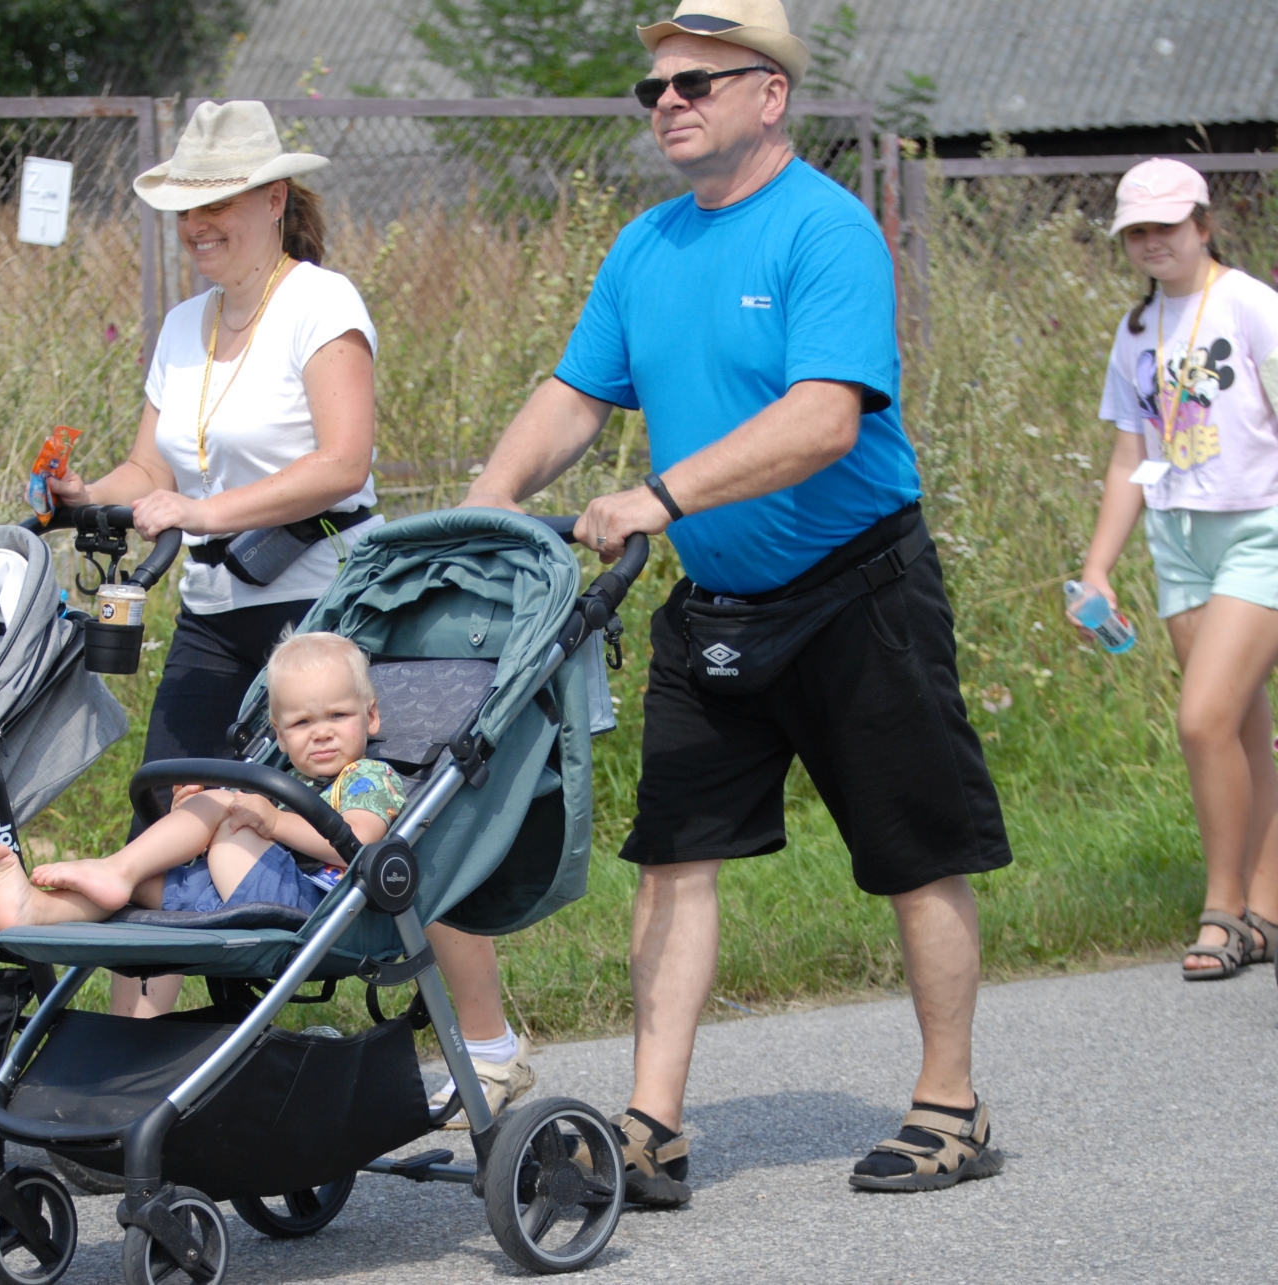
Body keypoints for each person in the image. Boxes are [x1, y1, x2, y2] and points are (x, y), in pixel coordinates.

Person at [444, 0, 1013, 1199]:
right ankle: (652, 1127)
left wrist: (661, 494)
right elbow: (574, 396)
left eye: (696, 82)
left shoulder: (825, 229)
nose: (669, 102)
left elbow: (824, 418)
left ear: (770, 93)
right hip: (718, 607)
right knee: (675, 857)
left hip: (860, 592)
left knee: (914, 851)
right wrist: (484, 507)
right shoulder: (646, 245)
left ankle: (950, 1105)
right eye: (655, 88)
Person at [46, 99, 380, 1016]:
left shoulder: (320, 303)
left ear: (274, 199)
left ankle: (471, 1038)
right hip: (213, 610)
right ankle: (139, 1060)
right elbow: (152, 469)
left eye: (218, 202)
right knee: (165, 811)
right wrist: (86, 493)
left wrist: (202, 511)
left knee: (302, 823)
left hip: (314, 610)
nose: (197, 224)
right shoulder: (183, 324)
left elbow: (343, 463)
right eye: (186, 207)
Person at [1077, 157, 1278, 980]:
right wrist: (1098, 569)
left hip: (1258, 532)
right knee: (1239, 728)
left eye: (1166, 225)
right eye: (1136, 231)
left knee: (1201, 720)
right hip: (1179, 543)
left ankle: (1221, 909)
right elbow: (1131, 453)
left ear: (1204, 224)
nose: (1151, 241)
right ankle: (1267, 905)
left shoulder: (1253, 305)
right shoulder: (1137, 329)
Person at [0, 632, 403, 927]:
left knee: (223, 802)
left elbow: (360, 841)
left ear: (370, 716)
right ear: (279, 734)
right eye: (302, 722)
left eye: (338, 715)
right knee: (144, 881)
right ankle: (36, 910)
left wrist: (271, 821)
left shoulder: (369, 775)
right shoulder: (282, 779)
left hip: (310, 904)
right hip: (245, 891)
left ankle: (115, 869)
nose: (322, 732)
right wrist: (194, 829)